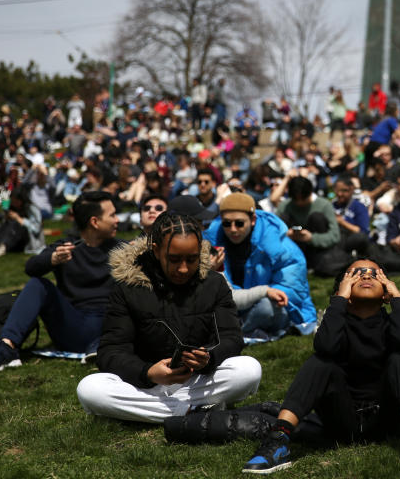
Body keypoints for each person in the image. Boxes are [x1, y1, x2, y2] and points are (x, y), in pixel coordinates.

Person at [241, 260, 400, 473]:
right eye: (355, 274)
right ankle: (278, 440)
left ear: (385, 292)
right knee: (320, 361)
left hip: (386, 418)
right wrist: (339, 301)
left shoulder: (392, 324)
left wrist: (397, 297)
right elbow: (325, 346)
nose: (366, 276)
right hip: (341, 419)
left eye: (374, 273)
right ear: (344, 290)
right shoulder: (336, 323)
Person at [76, 211, 261, 423]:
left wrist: (209, 359)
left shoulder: (214, 283)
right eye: (174, 259)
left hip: (197, 382)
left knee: (249, 369)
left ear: (199, 251)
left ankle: (171, 411)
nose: (183, 269)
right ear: (156, 251)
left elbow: (232, 338)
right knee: (90, 388)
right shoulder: (127, 288)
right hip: (145, 385)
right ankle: (191, 412)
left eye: (191, 259)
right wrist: (148, 372)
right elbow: (111, 352)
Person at [0, 191, 123, 373]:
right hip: (72, 326)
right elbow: (31, 267)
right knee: (38, 284)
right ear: (94, 222)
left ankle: (102, 346)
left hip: (110, 327)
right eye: (112, 215)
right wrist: (52, 259)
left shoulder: (122, 249)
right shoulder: (66, 247)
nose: (118, 220)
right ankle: (6, 347)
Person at [203, 192, 317, 340]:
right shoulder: (211, 243)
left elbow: (291, 291)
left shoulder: (282, 248)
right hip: (236, 303)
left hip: (267, 304)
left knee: (268, 307)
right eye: (226, 223)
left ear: (252, 220)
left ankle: (237, 334)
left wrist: (251, 296)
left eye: (239, 223)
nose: (232, 229)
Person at [274, 175, 340, 275]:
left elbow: (335, 236)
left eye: (303, 199)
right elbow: (272, 232)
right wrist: (285, 234)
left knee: (317, 217)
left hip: (317, 250)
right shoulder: (285, 206)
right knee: (284, 218)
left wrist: (311, 238)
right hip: (291, 248)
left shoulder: (324, 205)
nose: (300, 203)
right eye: (296, 200)